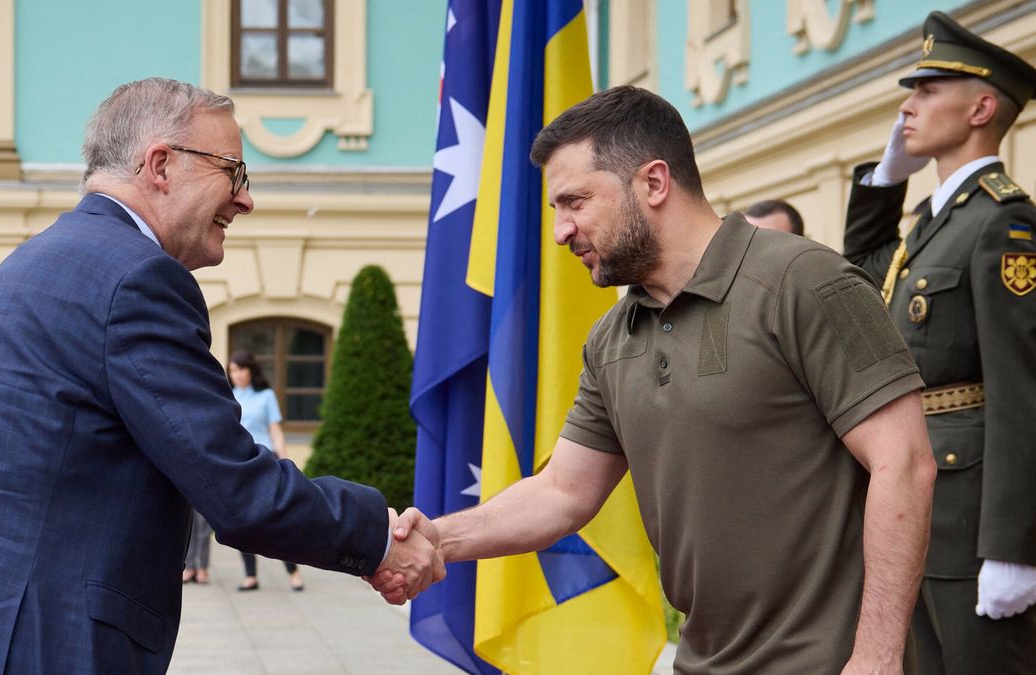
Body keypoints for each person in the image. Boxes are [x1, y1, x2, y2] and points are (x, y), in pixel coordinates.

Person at [0, 77, 441, 674]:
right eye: (234, 172)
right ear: (162, 165)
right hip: (43, 643)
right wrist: (375, 535)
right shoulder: (139, 281)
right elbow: (238, 491)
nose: (245, 199)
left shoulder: (25, 265)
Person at [375, 85, 937, 674]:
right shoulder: (611, 338)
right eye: (556, 210)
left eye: (575, 202)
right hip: (702, 661)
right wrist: (436, 538)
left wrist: (877, 657)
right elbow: (562, 492)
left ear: (653, 183)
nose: (562, 231)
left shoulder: (804, 280)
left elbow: (904, 464)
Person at [843, 11, 1036, 674]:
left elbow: (1023, 388)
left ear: (981, 106)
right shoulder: (934, 222)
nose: (908, 105)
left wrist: (1014, 546)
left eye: (927, 90)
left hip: (971, 524)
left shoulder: (1002, 220)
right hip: (915, 507)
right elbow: (864, 266)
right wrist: (885, 178)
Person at [227, 350, 306, 592]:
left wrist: (285, 462)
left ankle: (293, 571)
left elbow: (275, 431)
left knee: (277, 518)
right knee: (240, 520)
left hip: (266, 460)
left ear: (250, 370)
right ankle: (250, 575)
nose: (236, 375)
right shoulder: (228, 396)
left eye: (240, 369)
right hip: (240, 462)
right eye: (232, 370)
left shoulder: (266, 396)